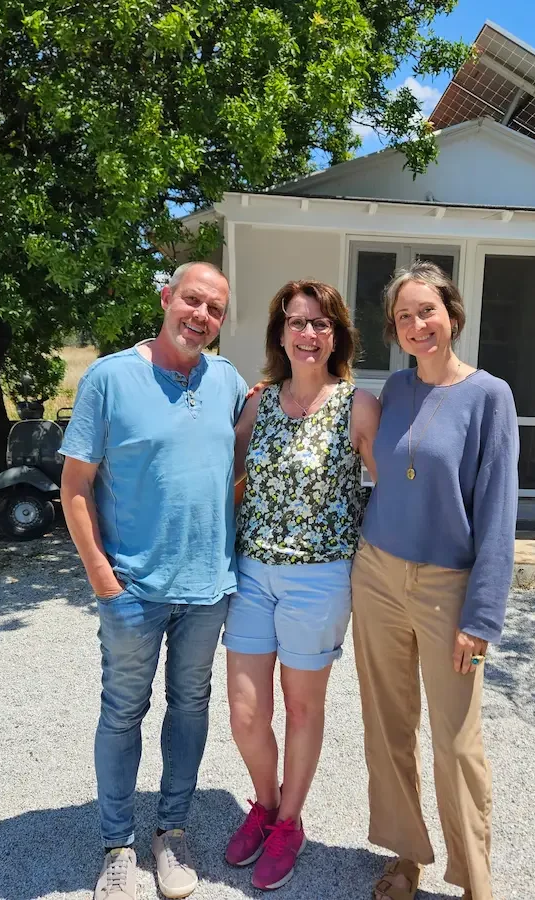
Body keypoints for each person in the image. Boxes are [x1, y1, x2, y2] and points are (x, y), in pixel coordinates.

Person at [59, 261, 248, 900]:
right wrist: (101, 575)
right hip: (133, 591)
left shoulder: (227, 382)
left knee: (190, 708)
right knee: (123, 712)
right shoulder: (111, 378)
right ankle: (117, 846)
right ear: (166, 299)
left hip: (208, 589)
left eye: (215, 309)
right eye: (192, 301)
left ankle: (172, 832)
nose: (201, 316)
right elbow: (75, 484)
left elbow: (238, 469)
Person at [351, 260, 518, 900]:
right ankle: (406, 859)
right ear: (394, 330)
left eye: (428, 311)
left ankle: (476, 881)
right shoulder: (393, 390)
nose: (417, 324)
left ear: (451, 313)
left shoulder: (489, 395)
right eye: (404, 316)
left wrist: (481, 618)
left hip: (449, 586)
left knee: (457, 744)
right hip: (378, 575)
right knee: (388, 729)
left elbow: (499, 514)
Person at [223, 280, 380, 891]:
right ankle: (264, 803)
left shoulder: (357, 407)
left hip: (320, 577)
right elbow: (225, 478)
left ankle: (290, 821)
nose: (308, 334)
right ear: (280, 332)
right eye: (297, 322)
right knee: (244, 712)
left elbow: (394, 488)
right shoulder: (259, 404)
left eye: (321, 324)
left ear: (336, 335)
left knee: (301, 706)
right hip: (252, 573)